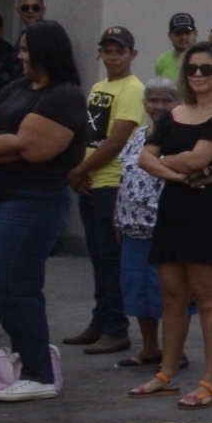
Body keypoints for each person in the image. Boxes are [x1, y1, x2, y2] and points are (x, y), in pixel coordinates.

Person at [0, 20, 93, 401]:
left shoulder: (64, 97)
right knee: (14, 286)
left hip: (33, 202)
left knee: (9, 285)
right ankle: (32, 357)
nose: (18, 55)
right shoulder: (17, 87)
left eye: (24, 49)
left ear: (44, 53)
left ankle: (38, 374)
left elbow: (28, 147)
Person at [131, 42, 212, 408]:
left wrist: (167, 160)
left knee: (208, 298)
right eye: (192, 69)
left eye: (206, 69)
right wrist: (175, 171)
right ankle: (166, 373)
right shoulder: (173, 113)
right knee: (171, 296)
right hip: (174, 205)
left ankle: (210, 381)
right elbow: (144, 159)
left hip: (208, 210)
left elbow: (198, 158)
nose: (198, 75)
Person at [64, 27, 147, 358]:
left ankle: (117, 329)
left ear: (132, 54)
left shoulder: (133, 89)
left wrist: (80, 170)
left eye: (119, 51)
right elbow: (89, 133)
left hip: (112, 182)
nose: (113, 56)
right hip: (90, 180)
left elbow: (117, 140)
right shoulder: (99, 87)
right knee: (97, 258)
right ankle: (99, 322)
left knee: (112, 260)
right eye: (107, 50)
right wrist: (81, 171)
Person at [112, 78, 180, 371]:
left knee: (169, 295)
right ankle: (150, 348)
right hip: (133, 230)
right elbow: (125, 177)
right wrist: (117, 214)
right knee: (138, 291)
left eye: (167, 100)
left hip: (164, 229)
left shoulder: (181, 136)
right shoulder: (139, 136)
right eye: (153, 100)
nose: (159, 106)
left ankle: (174, 352)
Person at [151, 12, 199, 81]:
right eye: (178, 33)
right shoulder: (162, 61)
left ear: (195, 34)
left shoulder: (205, 59)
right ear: (170, 36)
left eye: (187, 32)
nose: (183, 37)